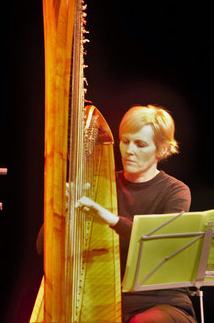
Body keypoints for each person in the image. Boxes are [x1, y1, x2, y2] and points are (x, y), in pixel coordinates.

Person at [77, 105, 197, 323]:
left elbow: (160, 244)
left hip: (162, 303)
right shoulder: (100, 185)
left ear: (161, 150)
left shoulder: (175, 191)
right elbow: (41, 247)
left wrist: (112, 220)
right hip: (105, 301)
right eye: (125, 141)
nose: (129, 150)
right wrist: (65, 208)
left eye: (140, 144)